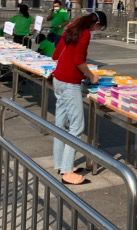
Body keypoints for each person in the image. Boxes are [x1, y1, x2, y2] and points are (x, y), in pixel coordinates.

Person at [52, 11, 107, 185]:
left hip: (58, 79)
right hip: (70, 83)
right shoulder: (85, 33)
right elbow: (78, 60)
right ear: (96, 24)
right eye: (100, 28)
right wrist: (91, 75)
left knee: (60, 124)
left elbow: (56, 54)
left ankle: (60, 164)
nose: (97, 30)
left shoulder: (71, 28)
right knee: (77, 126)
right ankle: (67, 171)